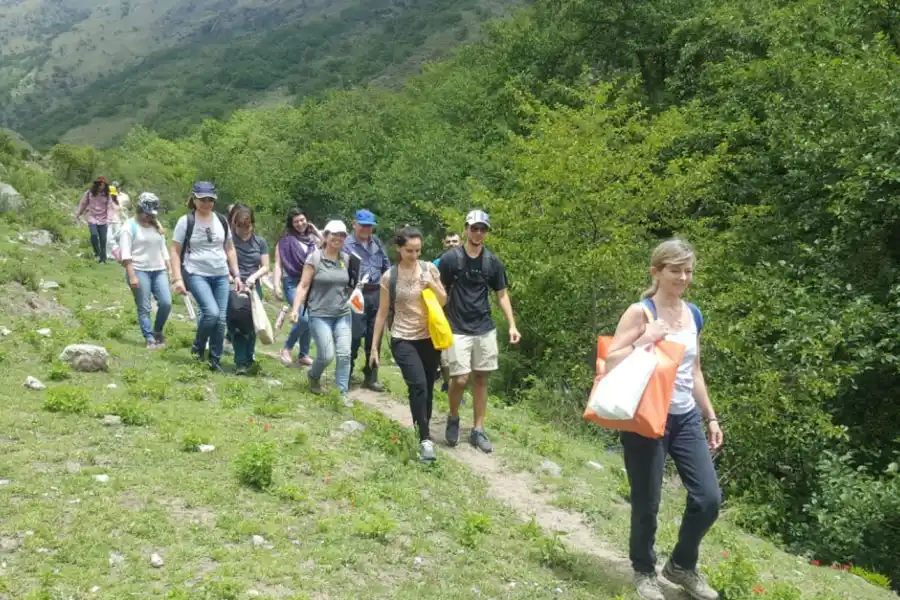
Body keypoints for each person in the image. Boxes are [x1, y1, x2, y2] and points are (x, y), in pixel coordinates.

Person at [605, 239, 722, 600]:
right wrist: (645, 340)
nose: (683, 278)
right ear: (655, 272)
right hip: (646, 416)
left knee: (708, 498)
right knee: (647, 502)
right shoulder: (641, 312)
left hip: (685, 417)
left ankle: (681, 565)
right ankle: (644, 571)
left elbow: (695, 371)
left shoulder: (693, 314)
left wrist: (711, 417)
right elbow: (610, 360)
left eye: (688, 271)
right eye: (675, 270)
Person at [438, 210, 520, 453]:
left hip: (484, 326)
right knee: (460, 378)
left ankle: (478, 429)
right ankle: (453, 417)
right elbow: (439, 291)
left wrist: (512, 324)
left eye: (482, 229)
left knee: (482, 378)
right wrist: (435, 322)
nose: (478, 233)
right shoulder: (450, 259)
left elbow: (502, 294)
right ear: (466, 229)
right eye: (474, 228)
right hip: (457, 327)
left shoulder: (492, 262)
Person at [370, 226, 447, 462]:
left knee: (428, 388)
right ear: (399, 249)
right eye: (409, 251)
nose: (414, 255)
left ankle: (421, 427)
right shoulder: (389, 277)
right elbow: (382, 313)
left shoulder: (430, 269)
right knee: (418, 385)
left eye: (418, 250)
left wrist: (431, 284)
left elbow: (443, 300)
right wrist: (374, 347)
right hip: (403, 337)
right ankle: (425, 439)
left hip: (429, 338)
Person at [169, 181, 243, 373]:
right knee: (211, 313)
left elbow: (229, 248)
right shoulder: (186, 221)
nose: (206, 203)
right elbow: (175, 251)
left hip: (221, 274)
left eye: (210, 199)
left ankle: (214, 360)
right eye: (202, 199)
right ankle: (198, 346)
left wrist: (236, 274)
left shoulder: (222, 220)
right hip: (196, 272)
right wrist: (177, 278)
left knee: (221, 320)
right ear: (194, 199)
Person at [290, 220, 356, 404]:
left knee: (344, 354)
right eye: (335, 234)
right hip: (319, 314)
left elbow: (350, 286)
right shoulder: (314, 258)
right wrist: (295, 309)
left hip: (342, 313)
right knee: (326, 356)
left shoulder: (347, 260)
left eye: (342, 235)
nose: (338, 238)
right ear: (326, 236)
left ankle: (341, 394)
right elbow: (303, 285)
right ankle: (313, 376)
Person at [344, 209, 390, 391]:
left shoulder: (376, 243)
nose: (366, 229)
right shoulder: (346, 244)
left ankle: (371, 376)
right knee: (354, 336)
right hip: (356, 293)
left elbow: (386, 265)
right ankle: (346, 374)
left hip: (377, 293)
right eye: (363, 225)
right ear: (354, 224)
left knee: (374, 336)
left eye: (369, 226)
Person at [119, 193, 171, 350]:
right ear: (139, 209)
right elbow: (125, 254)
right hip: (139, 270)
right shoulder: (129, 227)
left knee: (166, 303)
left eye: (151, 214)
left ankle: (157, 331)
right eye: (146, 213)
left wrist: (170, 268)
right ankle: (149, 338)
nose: (149, 216)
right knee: (144, 307)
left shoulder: (156, 225)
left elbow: (163, 247)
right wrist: (132, 276)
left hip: (159, 269)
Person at [274, 208, 321, 367]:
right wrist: (276, 285)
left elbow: (331, 246)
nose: (300, 224)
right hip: (292, 282)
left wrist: (317, 231)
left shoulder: (313, 240)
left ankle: (303, 354)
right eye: (296, 222)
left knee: (310, 318)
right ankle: (287, 347)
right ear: (291, 224)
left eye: (302, 220)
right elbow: (278, 265)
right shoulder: (284, 241)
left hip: (311, 283)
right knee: (303, 317)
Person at [228, 203, 270, 375]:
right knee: (237, 323)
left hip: (253, 286)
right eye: (240, 226)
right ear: (234, 224)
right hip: (234, 285)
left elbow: (266, 266)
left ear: (252, 224)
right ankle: (240, 362)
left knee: (253, 324)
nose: (244, 230)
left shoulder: (260, 242)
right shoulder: (229, 241)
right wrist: (231, 277)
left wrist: (254, 276)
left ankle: (249, 357)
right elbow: (222, 262)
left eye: (248, 226)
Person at [75, 176, 117, 264]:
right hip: (92, 218)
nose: (101, 186)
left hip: (103, 219)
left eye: (103, 185)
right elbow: (83, 203)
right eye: (100, 184)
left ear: (105, 185)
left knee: (103, 239)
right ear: (96, 185)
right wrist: (79, 213)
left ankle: (103, 259)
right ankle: (97, 252)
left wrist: (109, 219)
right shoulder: (89, 193)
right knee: (94, 236)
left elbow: (110, 207)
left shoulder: (107, 195)